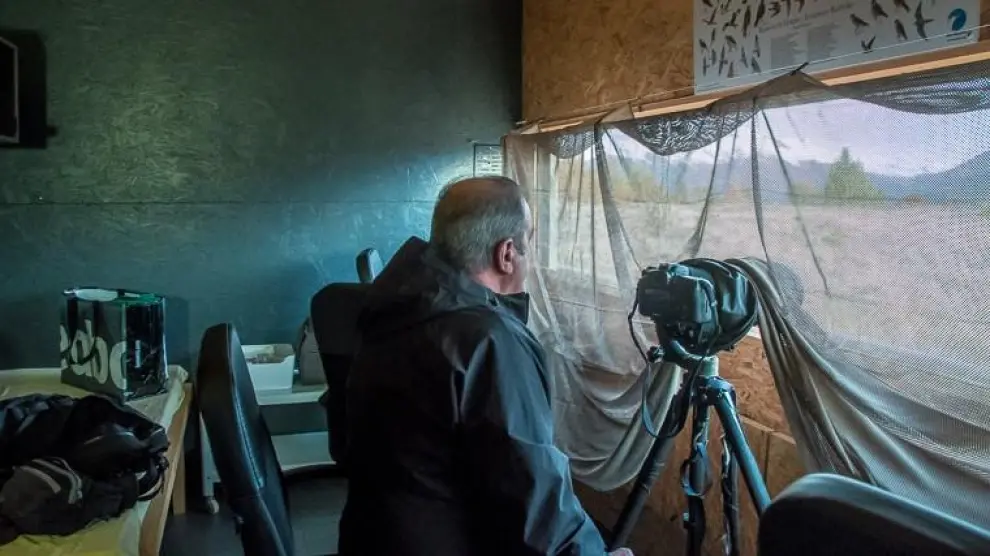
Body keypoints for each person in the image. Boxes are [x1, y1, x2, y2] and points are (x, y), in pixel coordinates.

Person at [338, 176, 633, 556]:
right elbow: (536, 514)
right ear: (507, 254)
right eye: (531, 245)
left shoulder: (393, 310)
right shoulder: (488, 341)